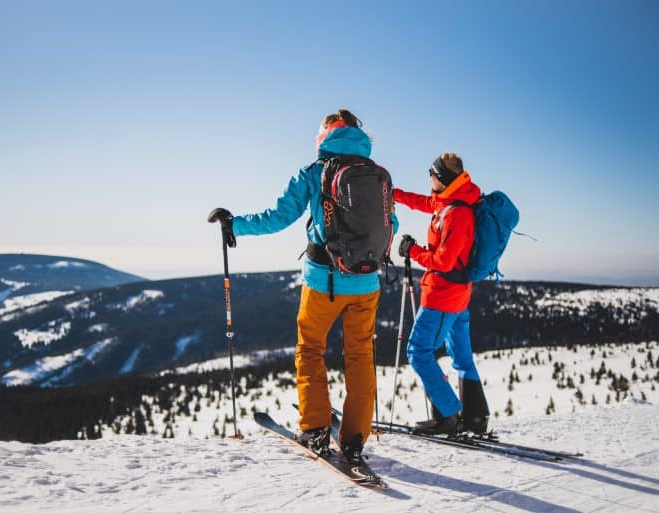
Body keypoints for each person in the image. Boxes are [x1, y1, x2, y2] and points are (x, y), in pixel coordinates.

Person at [208, 109, 397, 463]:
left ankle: (314, 430)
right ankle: (356, 436)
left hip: (323, 281)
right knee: (360, 355)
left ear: (326, 133)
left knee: (310, 349)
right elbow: (392, 225)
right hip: (367, 283)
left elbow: (278, 217)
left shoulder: (314, 172)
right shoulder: (377, 176)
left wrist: (235, 225)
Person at [394, 152, 490, 435]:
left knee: (418, 351)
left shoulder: (458, 213)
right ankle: (476, 417)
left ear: (442, 179)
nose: (429, 178)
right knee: (461, 355)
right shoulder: (451, 201)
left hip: (443, 297)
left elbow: (444, 261)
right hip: (457, 298)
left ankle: (448, 415)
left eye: (431, 173)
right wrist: (395, 195)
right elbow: (425, 203)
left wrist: (413, 251)